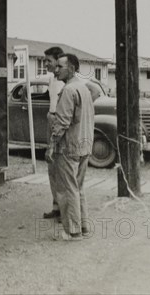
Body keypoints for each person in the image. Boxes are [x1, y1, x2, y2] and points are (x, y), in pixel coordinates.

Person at [46, 53, 95, 241]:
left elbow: (62, 123)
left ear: (72, 69)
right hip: (84, 145)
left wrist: (51, 145)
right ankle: (83, 227)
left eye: (60, 67)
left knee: (67, 189)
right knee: (78, 187)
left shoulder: (68, 90)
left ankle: (72, 231)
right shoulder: (83, 89)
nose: (56, 70)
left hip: (69, 147)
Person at [41, 46, 65, 220]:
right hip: (52, 120)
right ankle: (56, 206)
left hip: (61, 123)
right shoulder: (52, 80)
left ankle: (65, 209)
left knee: (62, 167)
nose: (46, 64)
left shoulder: (66, 81)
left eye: (49, 60)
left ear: (58, 60)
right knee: (52, 167)